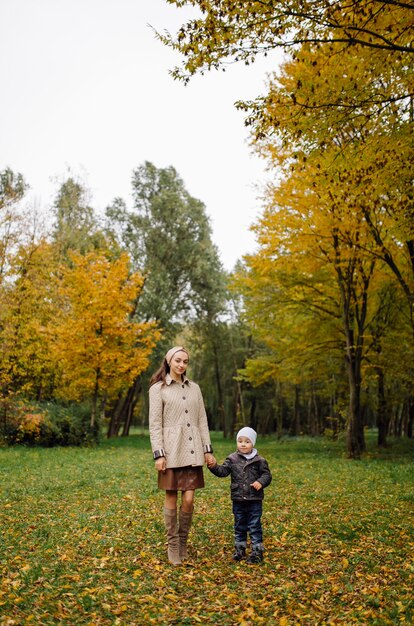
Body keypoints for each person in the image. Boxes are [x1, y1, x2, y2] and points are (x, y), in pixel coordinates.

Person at [149, 346, 214, 565]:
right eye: (178, 360)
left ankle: (183, 541)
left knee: (189, 498)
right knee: (171, 495)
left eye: (185, 361)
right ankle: (173, 544)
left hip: (193, 449)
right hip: (171, 450)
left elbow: (202, 420)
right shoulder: (158, 389)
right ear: (169, 361)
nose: (181, 365)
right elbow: (155, 424)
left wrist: (208, 449)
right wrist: (159, 454)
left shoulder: (195, 388)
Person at [207, 426, 272, 564]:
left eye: (247, 441)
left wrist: (260, 482)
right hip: (238, 498)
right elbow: (223, 471)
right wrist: (213, 467)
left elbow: (267, 475)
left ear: (252, 443)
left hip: (254, 499)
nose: (243, 444)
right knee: (239, 524)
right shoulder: (232, 459)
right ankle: (240, 549)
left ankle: (257, 551)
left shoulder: (260, 460)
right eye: (240, 441)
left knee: (254, 525)